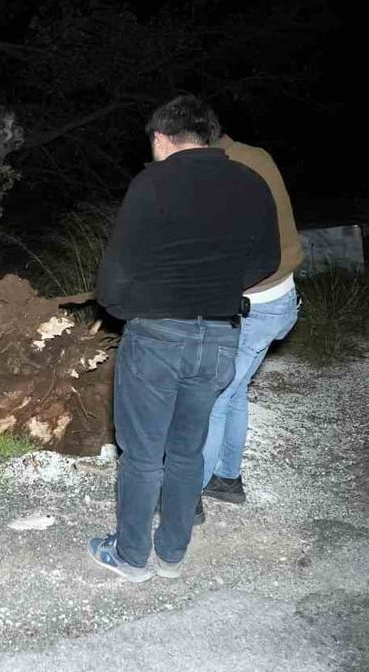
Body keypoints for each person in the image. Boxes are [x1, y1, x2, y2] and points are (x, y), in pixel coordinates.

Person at [89, 95, 280, 582]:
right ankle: (172, 554)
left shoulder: (153, 183)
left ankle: (132, 557)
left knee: (142, 453)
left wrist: (124, 309)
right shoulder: (250, 181)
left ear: (160, 138)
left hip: (157, 337)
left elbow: (117, 270)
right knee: (187, 450)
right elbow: (268, 260)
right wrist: (220, 289)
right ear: (209, 136)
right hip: (218, 337)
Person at [200, 133, 304, 503]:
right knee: (234, 388)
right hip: (280, 297)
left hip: (255, 306)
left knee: (211, 396)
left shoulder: (226, 174)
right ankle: (227, 478)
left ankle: (189, 494)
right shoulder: (255, 154)